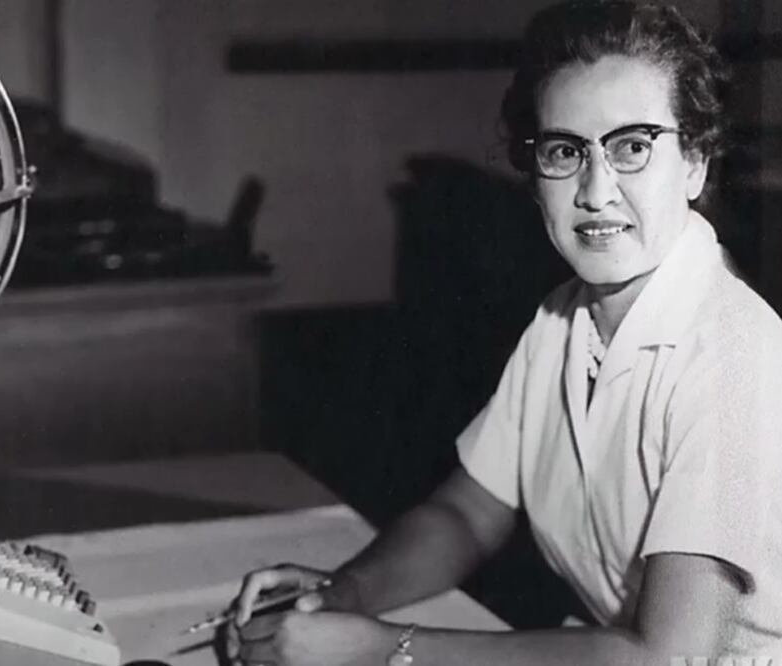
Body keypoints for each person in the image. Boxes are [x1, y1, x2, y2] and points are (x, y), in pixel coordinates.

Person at [226, 1, 782, 664]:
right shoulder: (561, 320)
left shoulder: (736, 357)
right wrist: (340, 595)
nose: (595, 190)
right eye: (563, 151)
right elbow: (466, 516)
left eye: (632, 147)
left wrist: (381, 649)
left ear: (693, 164)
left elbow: (664, 658)